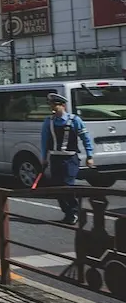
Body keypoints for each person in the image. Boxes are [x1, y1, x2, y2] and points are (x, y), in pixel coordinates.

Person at [40, 93, 94, 225]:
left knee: (67, 185)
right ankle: (68, 212)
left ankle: (74, 211)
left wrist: (89, 156)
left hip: (70, 158)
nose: (53, 107)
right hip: (55, 157)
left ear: (63, 105)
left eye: (55, 105)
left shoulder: (75, 120)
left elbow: (85, 139)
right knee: (57, 187)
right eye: (51, 105)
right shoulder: (49, 121)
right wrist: (44, 158)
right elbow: (44, 140)